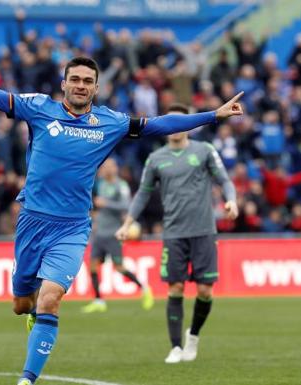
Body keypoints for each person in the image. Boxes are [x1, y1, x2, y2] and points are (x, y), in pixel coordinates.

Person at [0, 25, 243, 385]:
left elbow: (161, 123)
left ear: (96, 87)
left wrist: (211, 116)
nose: (80, 85)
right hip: (32, 221)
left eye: (87, 80)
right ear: (64, 83)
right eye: (74, 79)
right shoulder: (38, 108)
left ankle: (27, 379)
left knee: (50, 299)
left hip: (73, 227)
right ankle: (30, 314)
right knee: (22, 304)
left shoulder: (110, 122)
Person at [116, 103, 239, 364]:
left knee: (205, 291)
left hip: (204, 230)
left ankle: (193, 335)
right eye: (171, 122)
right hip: (173, 232)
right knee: (175, 288)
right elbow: (143, 193)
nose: (176, 127)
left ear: (190, 124)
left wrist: (232, 200)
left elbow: (225, 180)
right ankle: (175, 347)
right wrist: (127, 223)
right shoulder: (156, 159)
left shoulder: (204, 151)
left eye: (181, 121)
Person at [82, 157, 153, 313]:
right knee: (93, 266)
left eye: (110, 166)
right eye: (105, 166)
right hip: (100, 232)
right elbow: (96, 204)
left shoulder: (121, 186)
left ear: (115, 169)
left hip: (114, 234)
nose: (107, 169)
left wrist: (106, 203)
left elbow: (126, 205)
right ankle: (99, 300)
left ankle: (144, 289)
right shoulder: (100, 184)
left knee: (119, 268)